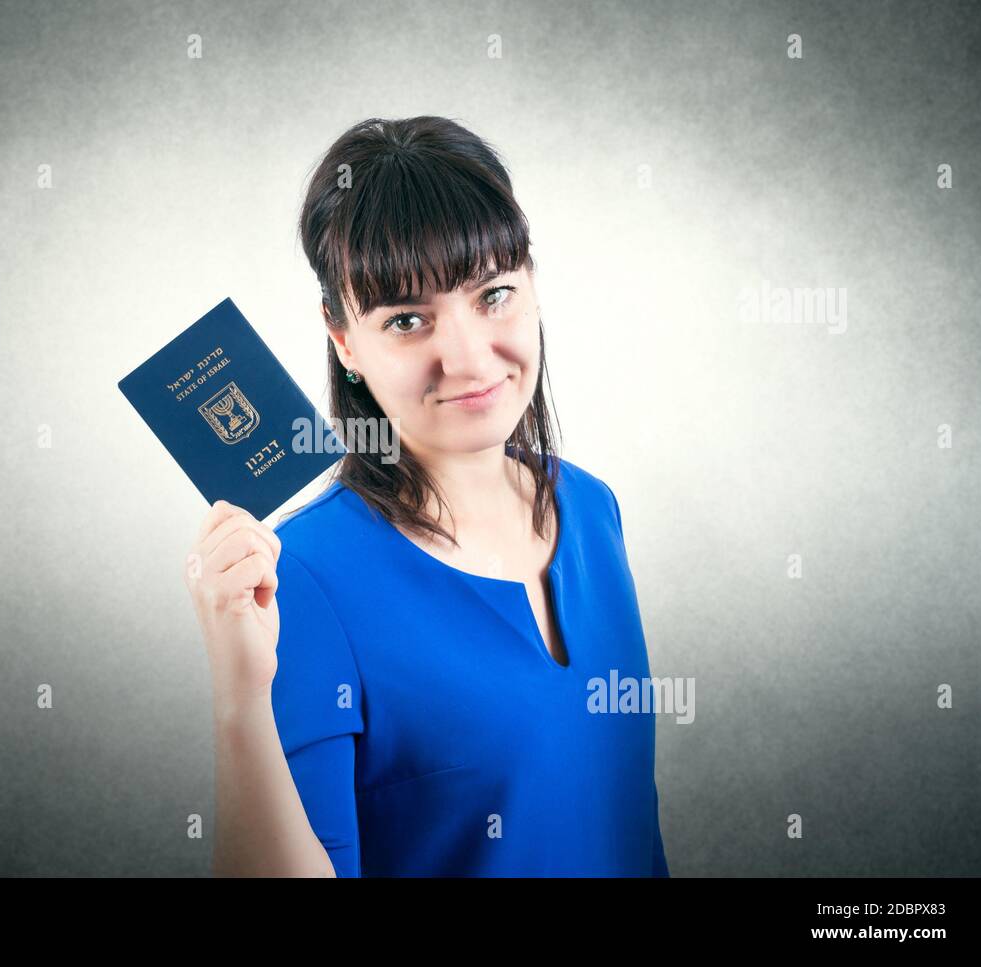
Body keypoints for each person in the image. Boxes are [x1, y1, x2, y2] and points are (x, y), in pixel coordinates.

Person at [188, 116, 668, 877]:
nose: (469, 357)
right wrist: (241, 703)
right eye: (407, 319)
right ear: (344, 340)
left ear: (535, 286)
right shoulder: (299, 578)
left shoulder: (592, 508)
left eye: (495, 294)